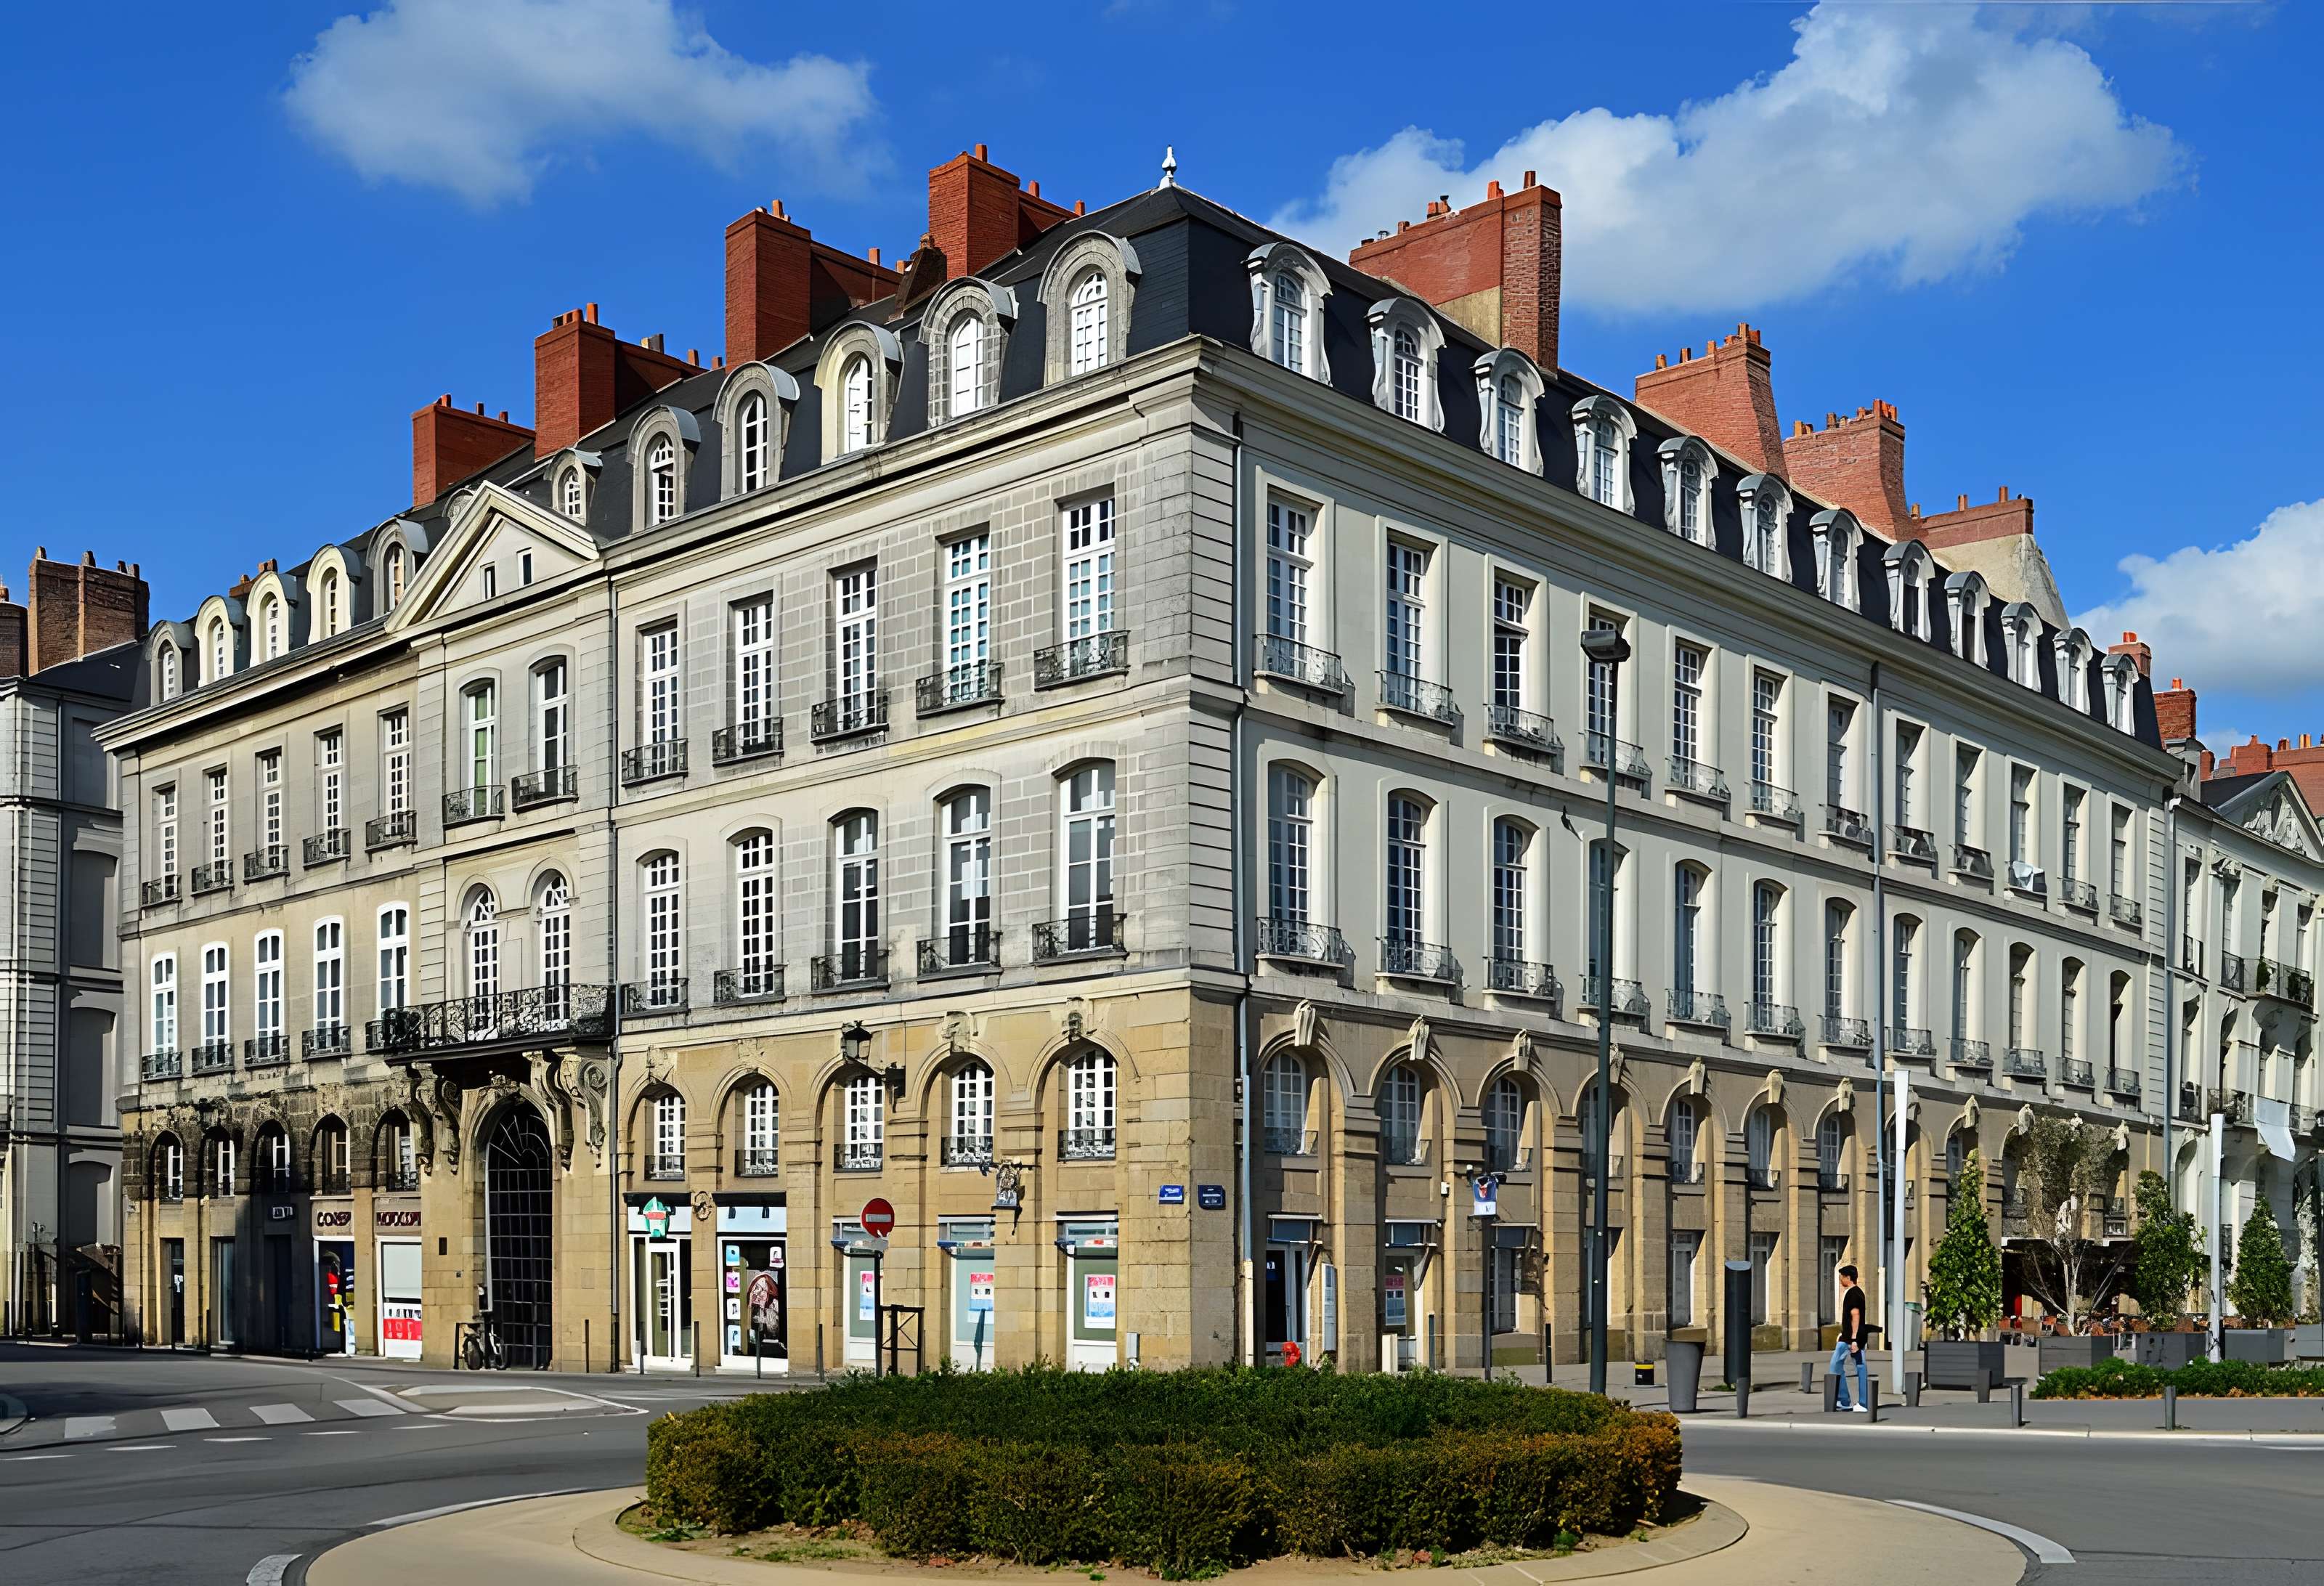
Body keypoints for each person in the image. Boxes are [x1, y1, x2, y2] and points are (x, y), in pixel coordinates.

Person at [1829, 1264, 1870, 1412]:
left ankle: (1855, 1401)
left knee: (1836, 1365)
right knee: (1859, 1367)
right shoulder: (1856, 1293)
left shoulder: (1853, 1294)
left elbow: (1855, 1316)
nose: (1840, 1279)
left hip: (1851, 1339)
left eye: (1842, 1276)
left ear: (1848, 1277)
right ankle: (1848, 1400)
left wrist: (1853, 1339)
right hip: (1849, 1337)